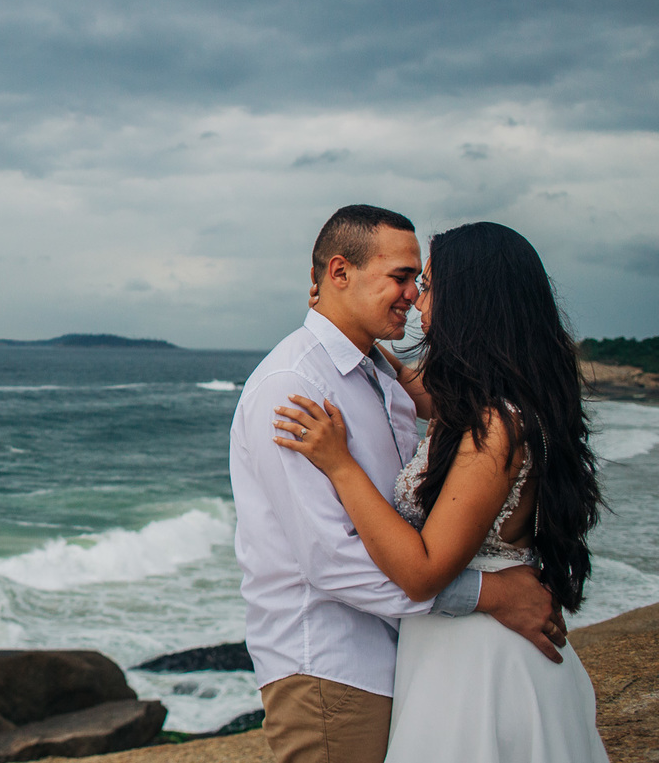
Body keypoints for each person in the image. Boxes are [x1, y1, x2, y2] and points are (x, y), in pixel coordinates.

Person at [229, 206, 566, 763]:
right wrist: (491, 594)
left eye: (422, 281)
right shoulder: (295, 389)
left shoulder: (377, 374)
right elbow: (332, 560)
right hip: (334, 663)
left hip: (406, 655)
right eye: (402, 278)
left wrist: (346, 326)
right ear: (339, 273)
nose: (412, 295)